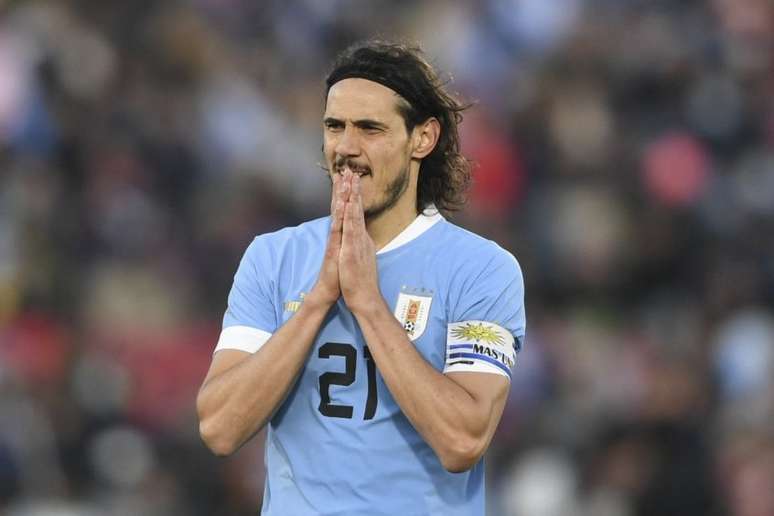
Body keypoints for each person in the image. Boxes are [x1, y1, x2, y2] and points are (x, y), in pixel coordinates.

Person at [196, 40, 526, 516]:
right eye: (335, 127)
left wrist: (368, 303)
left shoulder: (481, 270)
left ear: (423, 138)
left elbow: (463, 439)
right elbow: (220, 428)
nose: (346, 148)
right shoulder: (274, 257)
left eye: (370, 129)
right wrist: (317, 301)